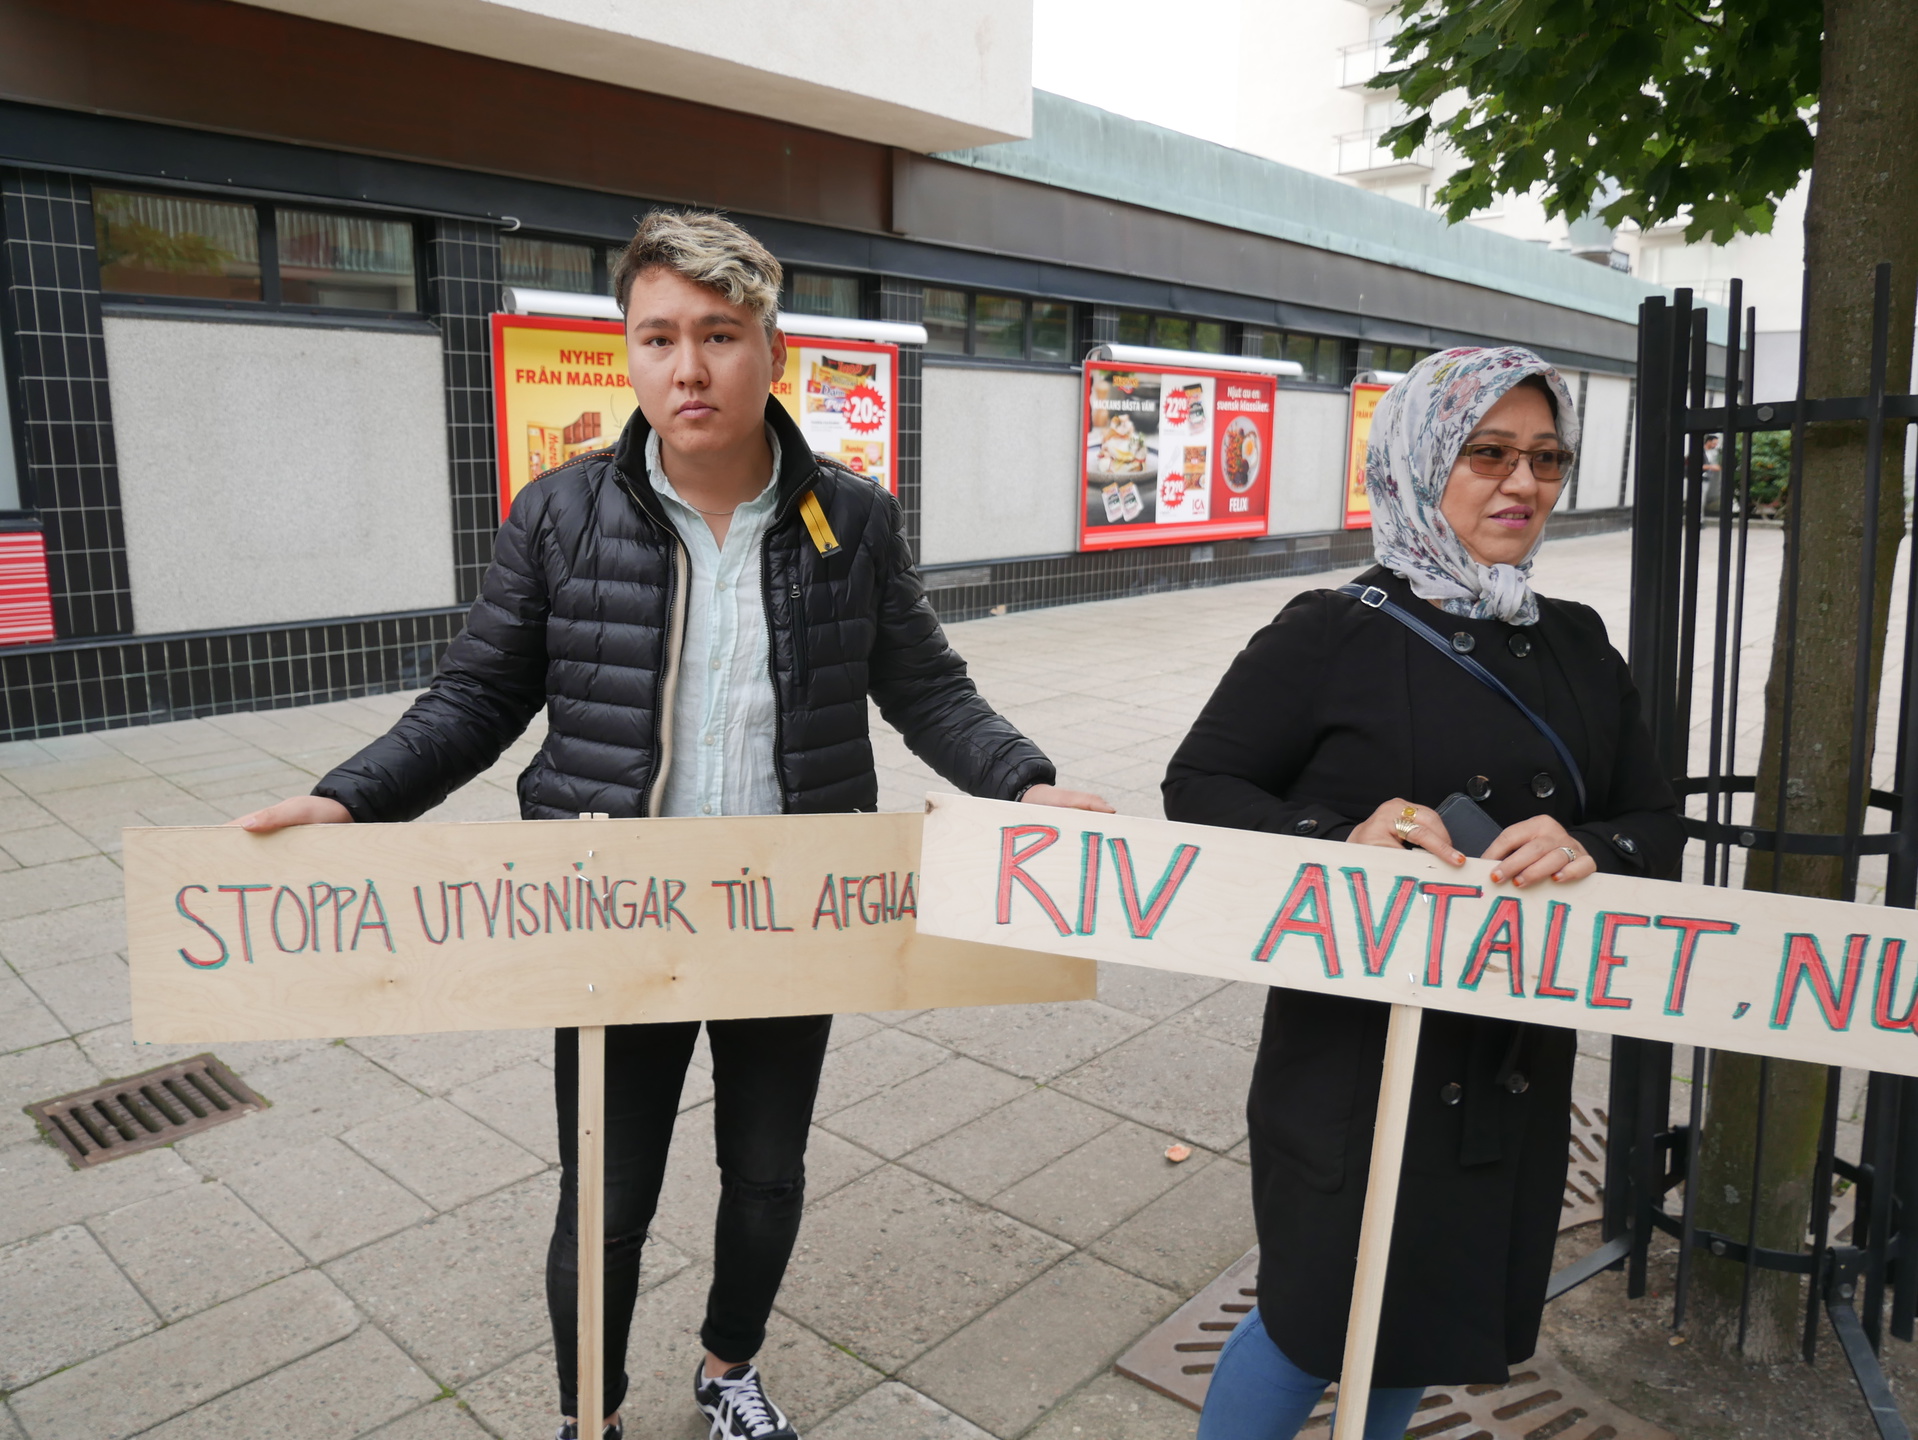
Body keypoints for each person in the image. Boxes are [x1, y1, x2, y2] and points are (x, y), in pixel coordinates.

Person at [231, 210, 1111, 1440]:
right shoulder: (559, 514)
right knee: (606, 1195)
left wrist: (1019, 782)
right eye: (656, 338)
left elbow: (924, 687)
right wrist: (351, 794)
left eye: (718, 335)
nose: (687, 369)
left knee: (764, 1176)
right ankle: (588, 1415)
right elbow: (479, 692)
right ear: (627, 354)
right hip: (609, 913)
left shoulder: (849, 520)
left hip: (789, 912)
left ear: (772, 351)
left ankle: (727, 1368)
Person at [1161, 347, 1684, 1439]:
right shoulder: (1331, 629)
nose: (1522, 485)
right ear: (1417, 462)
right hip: (1351, 1057)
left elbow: (1655, 820)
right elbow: (1199, 784)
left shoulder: (1577, 643)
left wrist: (1591, 846)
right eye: (1485, 454)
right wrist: (1344, 834)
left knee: (1426, 1316)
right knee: (1311, 1320)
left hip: (1505, 1060)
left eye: (1546, 459)